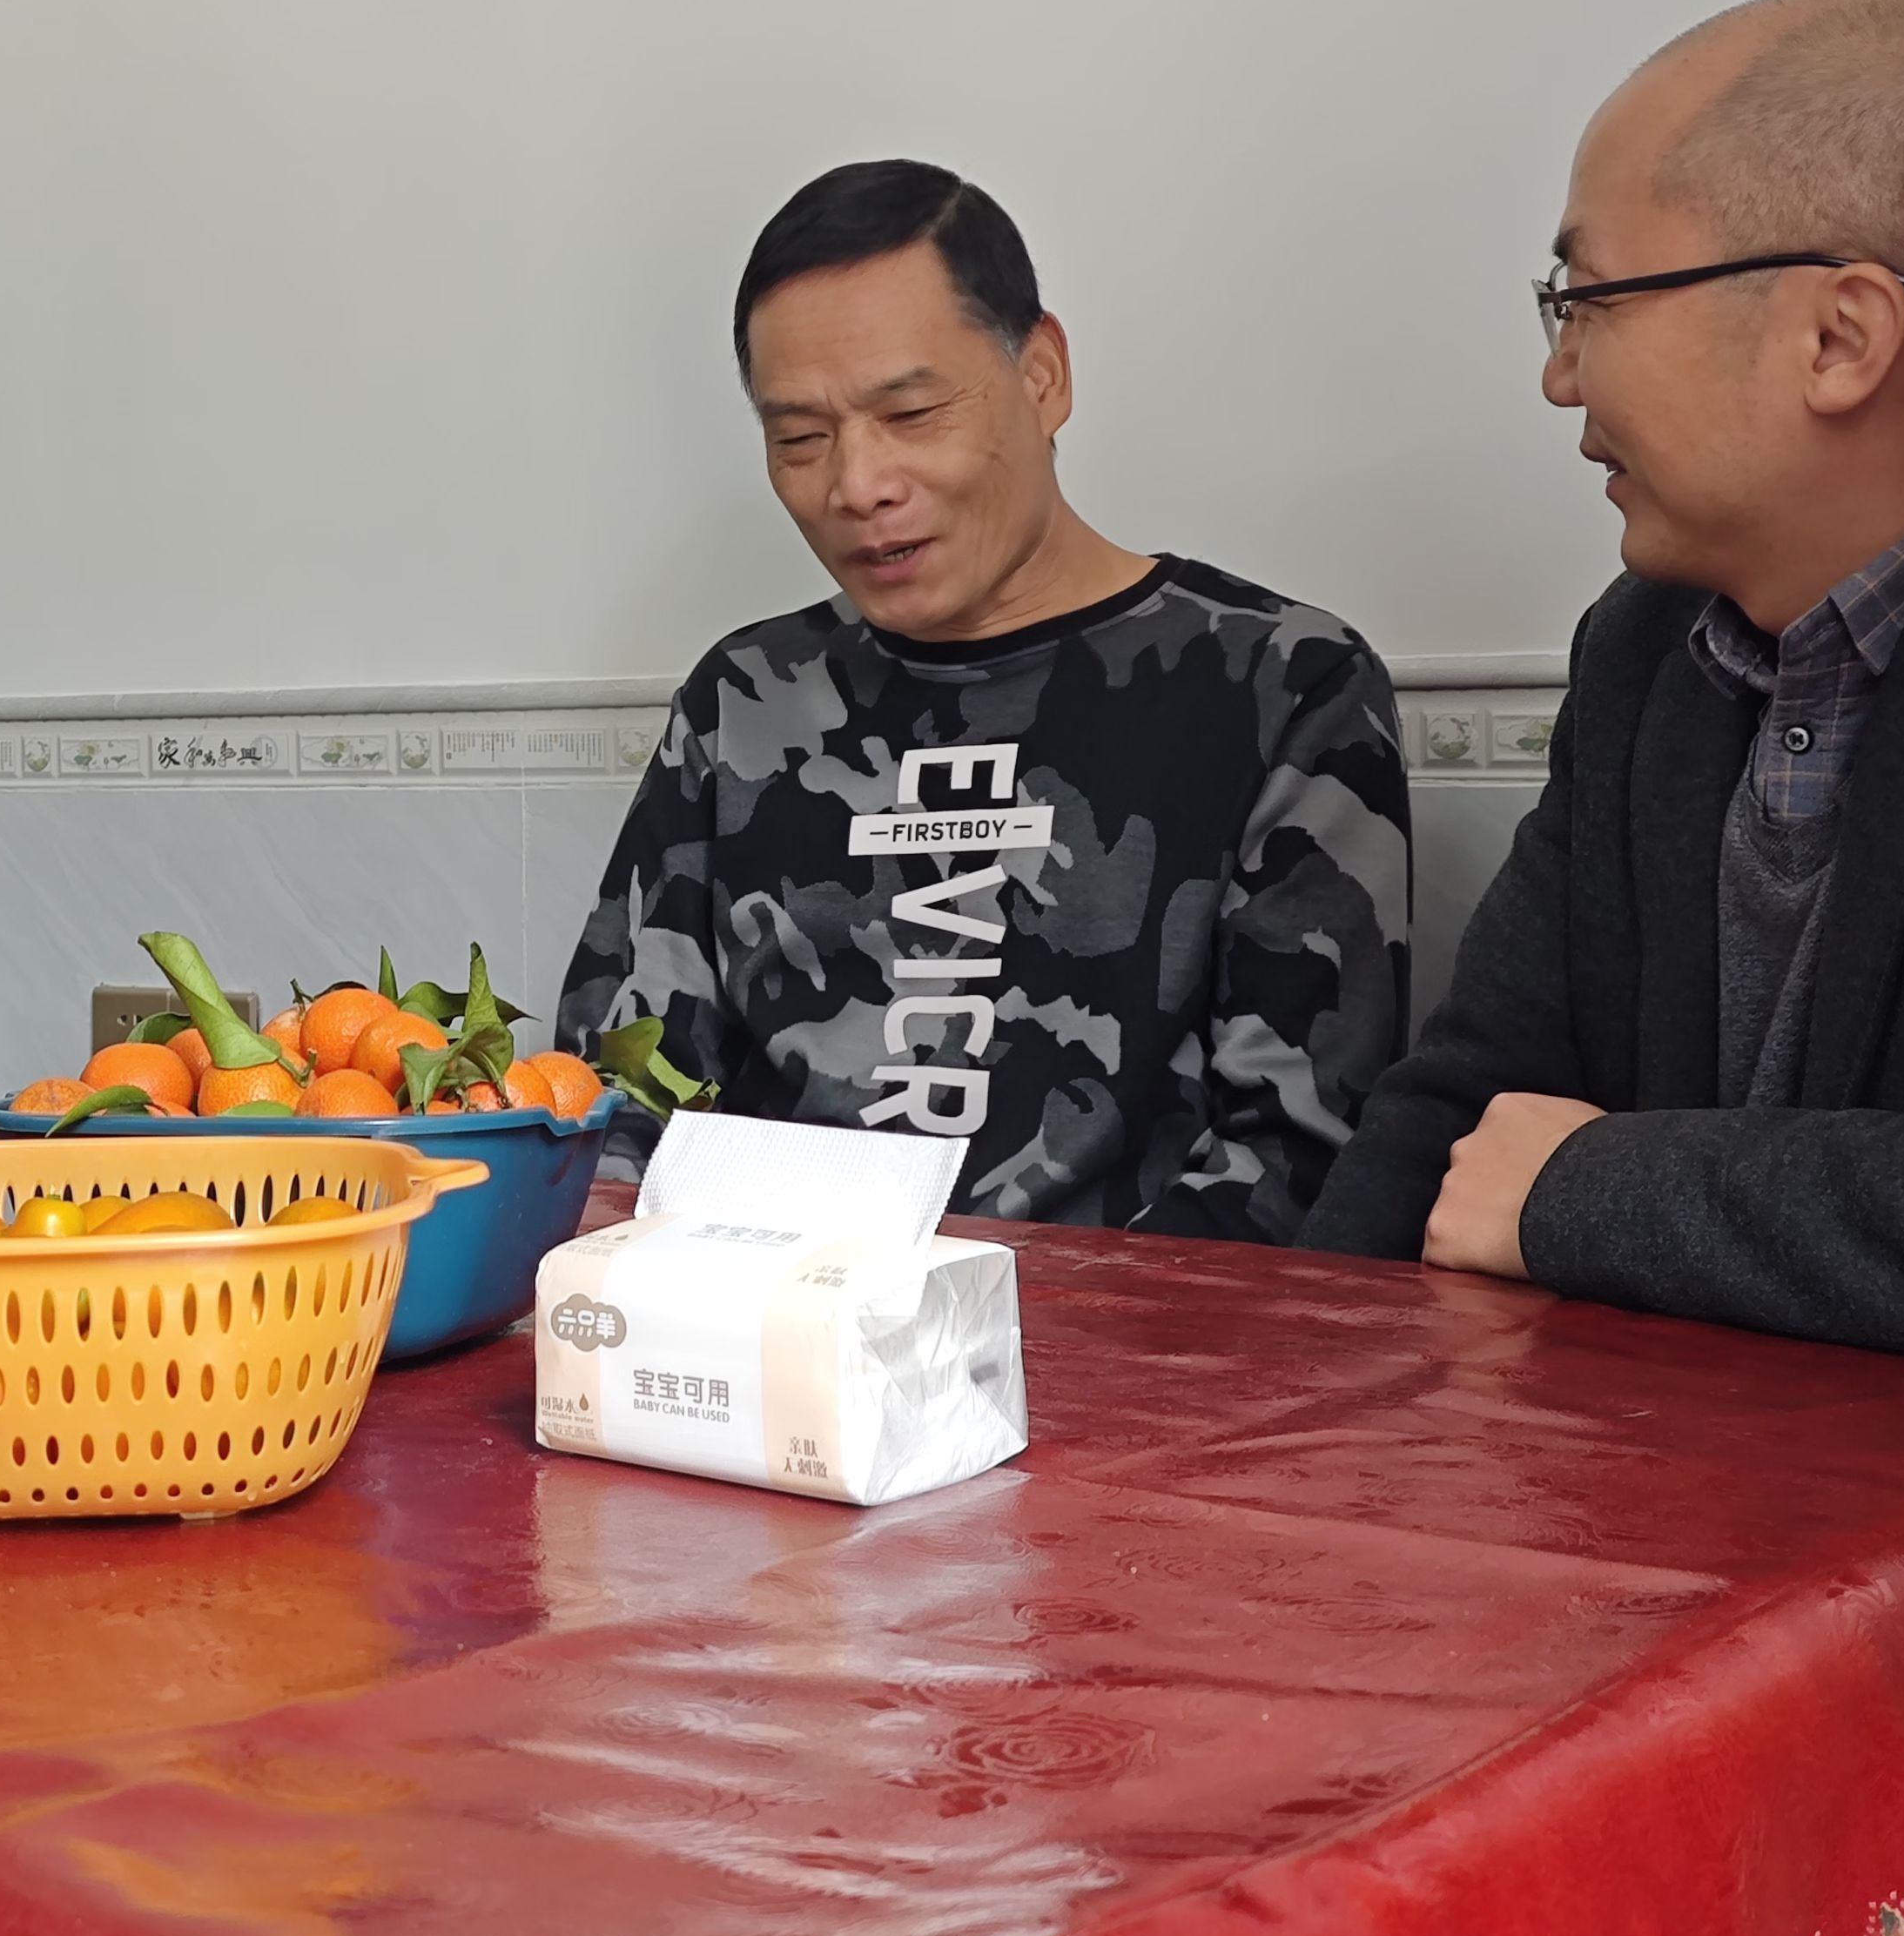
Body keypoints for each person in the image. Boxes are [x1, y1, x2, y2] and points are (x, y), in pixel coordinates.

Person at [1298, 0, 1904, 1936]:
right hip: (1664, 1656)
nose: (1557, 373)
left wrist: (1595, 1191)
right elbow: (1452, 1124)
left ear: (1837, 332)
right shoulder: (1649, 649)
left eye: (1587, 295)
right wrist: (1277, 1507)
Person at [554, 160, 1409, 1239]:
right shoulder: (743, 703)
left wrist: (988, 1325)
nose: (857, 485)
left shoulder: (1283, 685)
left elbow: (1298, 1161)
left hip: (1128, 1333)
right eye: (800, 439)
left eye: (910, 413)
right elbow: (611, 1099)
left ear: (1042, 375)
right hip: (770, 1322)